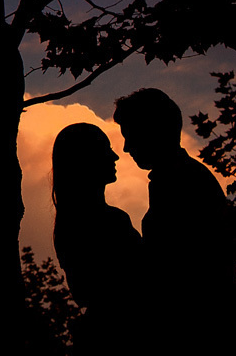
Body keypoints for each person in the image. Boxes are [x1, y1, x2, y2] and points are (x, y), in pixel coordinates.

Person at [113, 87, 236, 350]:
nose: (125, 148)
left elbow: (178, 270)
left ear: (152, 131)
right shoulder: (178, 179)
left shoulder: (183, 183)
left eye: (131, 135)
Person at [51, 122, 142, 354]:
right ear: (86, 159)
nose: (114, 156)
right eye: (105, 149)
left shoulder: (68, 224)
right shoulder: (111, 222)